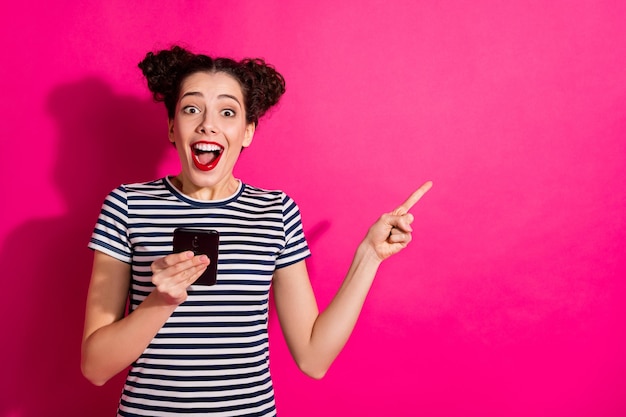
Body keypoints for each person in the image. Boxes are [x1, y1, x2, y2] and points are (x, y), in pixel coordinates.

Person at [81, 45, 432, 417]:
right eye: (191, 109)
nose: (208, 124)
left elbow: (313, 358)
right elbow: (95, 368)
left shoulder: (275, 211)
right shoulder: (127, 206)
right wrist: (160, 302)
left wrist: (369, 256)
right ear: (172, 126)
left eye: (228, 112)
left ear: (247, 131)